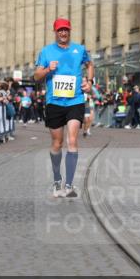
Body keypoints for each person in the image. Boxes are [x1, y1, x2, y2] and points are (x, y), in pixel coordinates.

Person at [33, 17, 94, 198]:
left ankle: (69, 185)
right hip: (54, 102)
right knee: (57, 143)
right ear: (55, 32)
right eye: (60, 30)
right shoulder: (46, 51)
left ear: (69, 31)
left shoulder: (79, 49)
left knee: (72, 141)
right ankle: (57, 179)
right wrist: (47, 69)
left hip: (75, 100)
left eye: (66, 29)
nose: (63, 33)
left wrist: (89, 82)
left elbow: (90, 64)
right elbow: (36, 76)